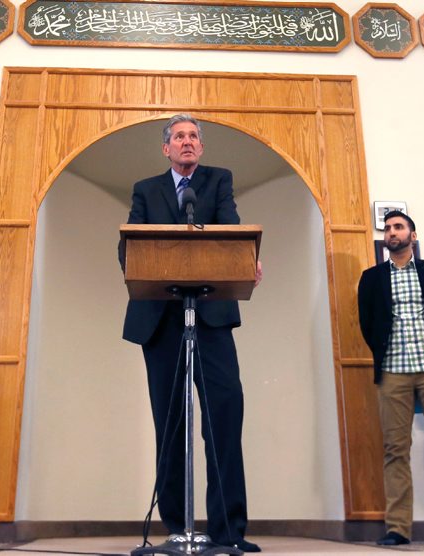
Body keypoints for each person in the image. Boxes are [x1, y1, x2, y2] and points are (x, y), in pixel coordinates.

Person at [119, 114, 262, 552]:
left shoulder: (218, 181)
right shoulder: (146, 189)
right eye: (178, 136)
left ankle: (227, 533)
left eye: (193, 136)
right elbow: (129, 245)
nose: (186, 142)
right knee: (170, 424)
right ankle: (178, 528)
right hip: (161, 320)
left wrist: (246, 258)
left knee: (223, 420)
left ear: (201, 148)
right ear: (166, 148)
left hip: (211, 318)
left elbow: (231, 229)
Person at [358, 210, 424, 547]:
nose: (392, 232)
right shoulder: (372, 278)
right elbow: (367, 323)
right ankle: (398, 529)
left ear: (412, 235)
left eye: (399, 227)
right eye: (388, 228)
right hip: (393, 372)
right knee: (394, 450)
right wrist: (383, 352)